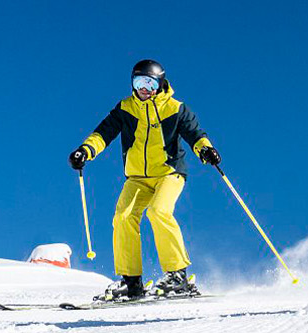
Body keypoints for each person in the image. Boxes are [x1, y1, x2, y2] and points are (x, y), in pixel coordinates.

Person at [69, 58, 221, 301]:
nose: (144, 88)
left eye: (150, 83)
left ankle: (178, 276)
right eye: (139, 82)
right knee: (123, 217)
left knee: (159, 211)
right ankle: (131, 283)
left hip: (169, 173)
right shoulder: (126, 108)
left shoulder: (175, 108)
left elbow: (194, 133)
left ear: (160, 84)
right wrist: (85, 150)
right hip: (137, 178)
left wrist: (205, 149)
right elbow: (103, 133)